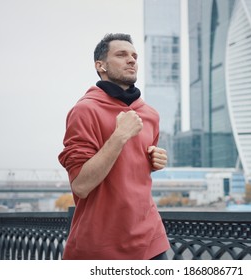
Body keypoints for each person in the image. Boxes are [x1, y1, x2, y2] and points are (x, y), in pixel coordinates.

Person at [58, 33, 170, 260]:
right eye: (121, 55)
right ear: (101, 66)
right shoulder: (84, 111)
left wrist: (154, 160)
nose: (132, 60)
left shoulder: (150, 115)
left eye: (134, 56)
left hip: (151, 242)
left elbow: (132, 170)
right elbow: (81, 185)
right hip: (100, 247)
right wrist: (119, 136)